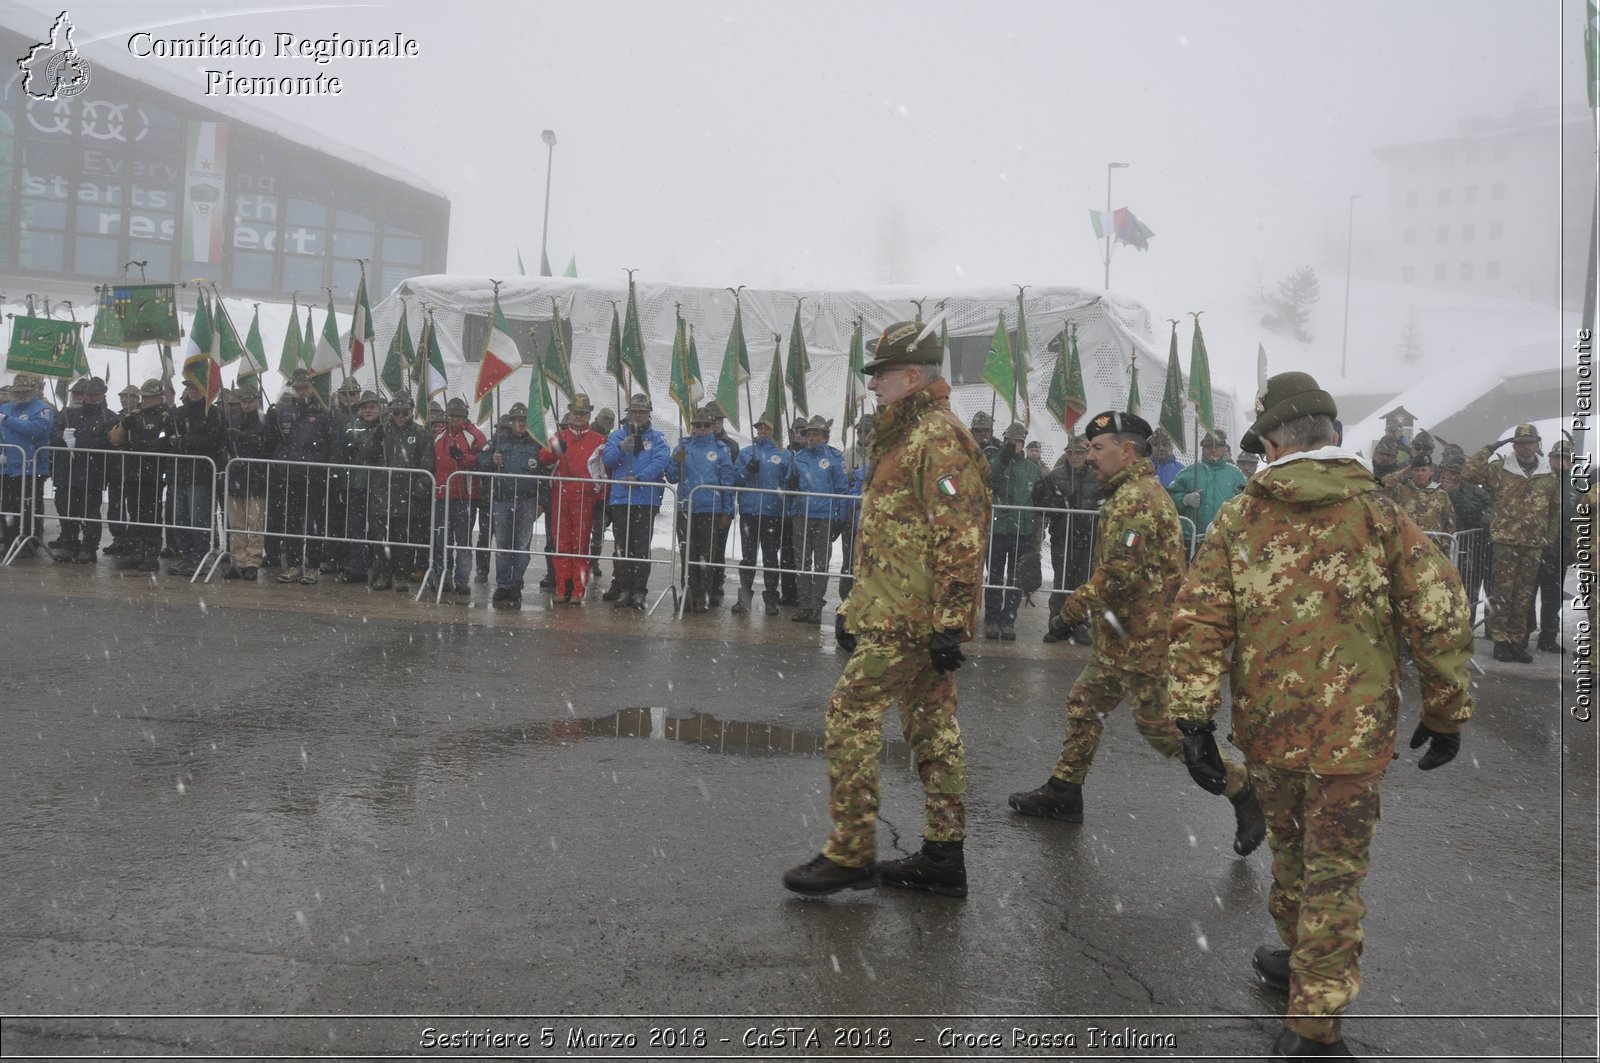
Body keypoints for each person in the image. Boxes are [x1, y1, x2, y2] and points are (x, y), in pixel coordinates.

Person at [1167, 371, 1473, 1060]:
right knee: (1335, 870)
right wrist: (1447, 707)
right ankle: (1314, 1013)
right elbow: (1440, 606)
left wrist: (1193, 718)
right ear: (1333, 436)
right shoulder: (1379, 513)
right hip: (1352, 734)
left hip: (1271, 729)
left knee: (1295, 853)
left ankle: (1308, 990)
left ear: (1271, 442)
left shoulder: (1242, 515)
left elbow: (1198, 619)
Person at [784, 319, 990, 898]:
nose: (872, 385)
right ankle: (944, 855)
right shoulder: (906, 435)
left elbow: (960, 535)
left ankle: (851, 850)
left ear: (911, 375)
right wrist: (855, 606)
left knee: (849, 714)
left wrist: (949, 622)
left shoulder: (937, 438)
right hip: (898, 611)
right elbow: (888, 537)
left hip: (913, 619)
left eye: (880, 375)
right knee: (932, 728)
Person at [1009, 411, 1265, 859]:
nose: (1090, 457)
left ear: (1126, 451)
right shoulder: (1127, 493)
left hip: (1143, 641)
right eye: (1088, 449)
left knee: (1163, 731)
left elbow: (1119, 572)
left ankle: (1242, 788)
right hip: (1121, 637)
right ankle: (1064, 791)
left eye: (1098, 448)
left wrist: (1070, 612)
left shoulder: (1138, 500)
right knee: (1084, 705)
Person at [1464, 422, 1558, 662]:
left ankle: (1517, 640)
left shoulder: (1548, 474)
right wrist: (1488, 448)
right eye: (1521, 444)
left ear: (1537, 445)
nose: (1525, 448)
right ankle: (1500, 640)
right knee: (1503, 593)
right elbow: (1469, 472)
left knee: (1524, 596)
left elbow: (1555, 510)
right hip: (1506, 541)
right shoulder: (1499, 469)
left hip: (1534, 544)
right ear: (1514, 446)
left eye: (1530, 443)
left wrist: (1549, 537)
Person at [358, 394, 435, 593]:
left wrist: (420, 488)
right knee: (384, 539)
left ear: (411, 412)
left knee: (404, 541)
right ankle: (384, 575)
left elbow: (428, 465)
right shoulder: (382, 431)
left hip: (408, 497)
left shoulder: (421, 434)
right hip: (383, 494)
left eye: (405, 412)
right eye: (396, 412)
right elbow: (366, 455)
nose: (400, 416)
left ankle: (401, 576)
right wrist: (376, 437)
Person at [601, 393, 670, 609]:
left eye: (642, 412)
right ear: (628, 414)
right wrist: (622, 448)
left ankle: (640, 590)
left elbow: (661, 461)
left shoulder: (657, 438)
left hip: (645, 500)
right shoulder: (616, 436)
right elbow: (608, 460)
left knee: (641, 548)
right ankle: (625, 589)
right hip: (621, 500)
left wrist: (640, 479)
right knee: (623, 548)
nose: (638, 415)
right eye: (634, 411)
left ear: (648, 414)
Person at [268, 369, 336, 585]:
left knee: (314, 523)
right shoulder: (285, 409)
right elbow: (278, 440)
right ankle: (294, 564)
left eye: (304, 387)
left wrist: (331, 469)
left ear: (312, 386)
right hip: (291, 474)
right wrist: (271, 423)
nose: (300, 391)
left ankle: (313, 567)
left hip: (315, 475)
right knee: (292, 521)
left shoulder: (325, 409)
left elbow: (334, 443)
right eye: (297, 388)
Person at [537, 394, 607, 603]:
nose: (578, 417)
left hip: (584, 497)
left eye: (583, 413)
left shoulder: (599, 440)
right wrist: (557, 450)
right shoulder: (559, 436)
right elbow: (544, 458)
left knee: (580, 545)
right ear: (569, 413)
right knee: (561, 544)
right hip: (560, 496)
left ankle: (578, 590)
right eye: (575, 413)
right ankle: (561, 588)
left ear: (588, 415)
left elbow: (604, 472)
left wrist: (600, 498)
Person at [666, 405, 736, 612]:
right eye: (698, 425)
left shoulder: (721, 450)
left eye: (706, 425)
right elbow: (671, 477)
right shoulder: (682, 447)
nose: (703, 429)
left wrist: (728, 510)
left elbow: (728, 484)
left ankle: (703, 595)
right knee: (687, 552)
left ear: (712, 426)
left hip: (710, 510)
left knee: (707, 555)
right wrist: (675, 463)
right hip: (686, 509)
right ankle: (688, 590)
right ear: (692, 427)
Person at [106, 378, 174, 572]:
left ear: (159, 397)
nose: (145, 400)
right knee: (135, 514)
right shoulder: (134, 416)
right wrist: (123, 426)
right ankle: (136, 553)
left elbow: (162, 441)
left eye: (149, 397)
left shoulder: (165, 417)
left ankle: (151, 556)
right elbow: (114, 439)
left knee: (151, 516)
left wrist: (137, 446)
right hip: (133, 472)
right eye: (144, 397)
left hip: (154, 474)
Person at [48, 376, 117, 564]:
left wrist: (79, 443)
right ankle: (70, 545)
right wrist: (62, 436)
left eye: (96, 395)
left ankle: (88, 548)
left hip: (92, 471)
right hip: (66, 470)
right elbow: (52, 433)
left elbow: (107, 441)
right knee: (66, 509)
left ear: (103, 396)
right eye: (89, 394)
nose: (91, 398)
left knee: (90, 512)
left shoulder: (109, 417)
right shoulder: (68, 413)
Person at [1036, 437, 1098, 643]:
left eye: (1080, 453)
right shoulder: (1056, 476)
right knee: (1061, 582)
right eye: (1072, 453)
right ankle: (1056, 625)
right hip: (1063, 537)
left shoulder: (1096, 476)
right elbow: (1044, 502)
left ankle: (1080, 625)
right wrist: (1060, 503)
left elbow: (1104, 501)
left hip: (1088, 538)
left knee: (1082, 585)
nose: (1076, 457)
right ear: (1067, 455)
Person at [787, 414, 848, 624]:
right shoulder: (798, 458)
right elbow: (788, 487)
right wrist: (791, 482)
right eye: (809, 434)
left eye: (816, 434)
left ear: (824, 436)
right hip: (802, 516)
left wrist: (839, 518)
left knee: (821, 565)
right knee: (802, 563)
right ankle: (804, 604)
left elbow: (841, 490)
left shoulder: (835, 457)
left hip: (824, 518)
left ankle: (816, 605)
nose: (812, 437)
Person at [984, 421, 1042, 641]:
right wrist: (1003, 457)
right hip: (999, 529)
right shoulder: (996, 462)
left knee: (1016, 578)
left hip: (1022, 531)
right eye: (1009, 441)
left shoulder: (1032, 469)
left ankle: (1008, 620)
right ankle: (991, 618)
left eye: (1017, 442)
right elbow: (989, 477)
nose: (1013, 445)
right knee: (995, 577)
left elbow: (1038, 497)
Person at [732, 412, 792, 616]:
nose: (763, 431)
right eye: (760, 428)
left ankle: (771, 599)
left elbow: (789, 483)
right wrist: (748, 470)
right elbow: (735, 480)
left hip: (772, 513)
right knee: (748, 557)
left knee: (770, 558)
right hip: (749, 511)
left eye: (767, 427)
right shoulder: (747, 453)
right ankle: (744, 599)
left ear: (775, 430)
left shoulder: (784, 454)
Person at [486, 404, 546, 607]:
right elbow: (479, 460)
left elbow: (546, 476)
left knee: (522, 547)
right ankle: (502, 584)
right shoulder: (498, 441)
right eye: (516, 420)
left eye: (523, 420)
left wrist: (542, 503)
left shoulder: (537, 444)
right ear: (510, 422)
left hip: (527, 502)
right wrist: (491, 460)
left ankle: (515, 584)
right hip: (502, 501)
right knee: (502, 545)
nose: (520, 424)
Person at [167, 378, 226, 577]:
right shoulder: (180, 413)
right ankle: (185, 555)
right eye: (190, 387)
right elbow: (169, 438)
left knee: (198, 518)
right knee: (179, 517)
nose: (193, 391)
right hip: (180, 473)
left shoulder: (213, 412)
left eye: (197, 387)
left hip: (201, 474)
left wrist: (186, 441)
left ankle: (199, 556)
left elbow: (212, 440)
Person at [430, 396, 486, 595]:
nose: (454, 420)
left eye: (458, 416)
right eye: (451, 416)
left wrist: (462, 458)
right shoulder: (438, 435)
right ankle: (442, 575)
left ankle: (462, 579)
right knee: (441, 539)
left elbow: (483, 461)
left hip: (465, 497)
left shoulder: (475, 435)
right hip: (441, 496)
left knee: (463, 541)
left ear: (465, 416)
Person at [222, 383, 273, 580]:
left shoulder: (265, 421)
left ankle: (253, 561)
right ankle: (238, 561)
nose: (247, 405)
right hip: (236, 477)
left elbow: (266, 445)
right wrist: (230, 460)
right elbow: (225, 445)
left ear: (257, 401)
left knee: (255, 524)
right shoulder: (232, 420)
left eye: (250, 401)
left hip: (256, 478)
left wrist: (243, 438)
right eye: (244, 402)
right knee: (236, 524)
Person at [0, 373, 54, 558]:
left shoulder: (42, 409)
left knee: (30, 506)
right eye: (18, 391)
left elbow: (35, 429)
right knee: (8, 506)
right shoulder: (6, 407)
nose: (21, 394)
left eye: (25, 391)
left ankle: (30, 542)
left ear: (33, 391)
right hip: (8, 468)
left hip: (32, 468)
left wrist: (7, 420)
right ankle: (10, 541)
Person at [1533, 439, 1580, 652]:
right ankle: (1522, 635)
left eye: (1564, 459)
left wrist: (1574, 548)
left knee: (1553, 598)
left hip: (1560, 550)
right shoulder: (1537, 479)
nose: (1559, 462)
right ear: (1549, 459)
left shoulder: (1578, 486)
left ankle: (1548, 638)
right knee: (1527, 594)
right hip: (1534, 548)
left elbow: (1581, 519)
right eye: (1556, 458)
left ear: (1570, 462)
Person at [1439, 445, 1491, 628]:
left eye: (1454, 472)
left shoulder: (1475, 491)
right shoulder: (1434, 488)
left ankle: (1466, 627)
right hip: (1441, 549)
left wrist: (1454, 495)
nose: (1449, 476)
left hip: (1469, 551)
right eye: (1446, 471)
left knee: (1468, 590)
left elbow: (1476, 516)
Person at [1166, 429, 1247, 547]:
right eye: (1208, 446)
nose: (1213, 450)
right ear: (1203, 448)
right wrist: (1184, 499)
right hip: (1192, 539)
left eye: (1218, 446)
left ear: (1225, 448)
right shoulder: (1189, 472)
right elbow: (1168, 498)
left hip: (1225, 539)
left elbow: (1246, 504)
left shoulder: (1236, 475)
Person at [337, 392, 385, 585]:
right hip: (356, 484)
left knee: (376, 529)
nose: (368, 410)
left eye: (372, 407)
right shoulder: (351, 428)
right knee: (355, 528)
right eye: (365, 407)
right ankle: (358, 568)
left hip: (376, 485)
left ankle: (376, 567)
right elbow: (343, 452)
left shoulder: (384, 428)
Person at [776, 414, 810, 606]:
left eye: (803, 432)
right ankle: (788, 592)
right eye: (797, 431)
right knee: (787, 554)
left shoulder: (810, 455)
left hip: (803, 511)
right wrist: (789, 481)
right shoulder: (783, 454)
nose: (800, 435)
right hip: (784, 511)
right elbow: (778, 481)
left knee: (803, 555)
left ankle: (803, 593)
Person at [1381, 453, 1456, 535]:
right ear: (1411, 471)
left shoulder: (1441, 494)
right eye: (1416, 470)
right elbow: (1380, 487)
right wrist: (1402, 473)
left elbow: (1450, 522)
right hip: (1407, 542)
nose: (1420, 473)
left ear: (1431, 471)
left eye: (1423, 470)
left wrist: (1445, 545)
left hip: (1432, 544)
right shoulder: (1401, 490)